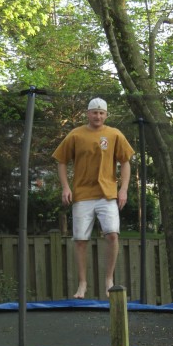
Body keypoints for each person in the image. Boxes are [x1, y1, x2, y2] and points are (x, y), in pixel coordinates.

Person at [52, 98, 135, 299]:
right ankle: (82, 283)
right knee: (80, 240)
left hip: (107, 194)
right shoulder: (76, 134)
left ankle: (109, 279)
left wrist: (123, 189)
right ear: (87, 114)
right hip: (82, 195)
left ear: (106, 115)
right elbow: (61, 161)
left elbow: (125, 162)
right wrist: (65, 187)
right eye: (94, 112)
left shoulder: (114, 134)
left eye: (101, 113)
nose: (98, 116)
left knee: (112, 234)